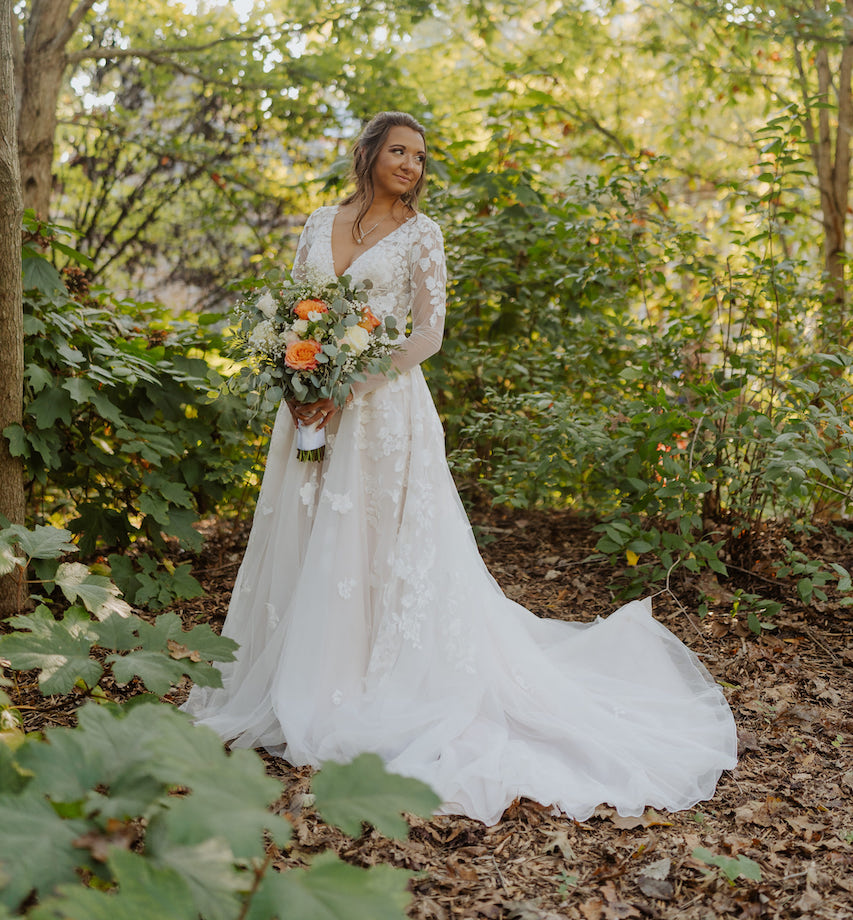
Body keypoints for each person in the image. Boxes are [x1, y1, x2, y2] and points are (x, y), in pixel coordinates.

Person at [183, 111, 737, 825]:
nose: (412, 164)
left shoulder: (423, 234)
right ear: (370, 153)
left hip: (383, 412)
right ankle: (298, 669)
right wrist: (302, 387)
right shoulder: (319, 219)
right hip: (310, 405)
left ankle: (367, 678)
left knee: (376, 543)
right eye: (399, 151)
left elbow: (427, 333)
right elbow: (301, 312)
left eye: (420, 155)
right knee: (309, 529)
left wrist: (350, 384)